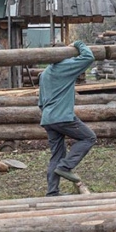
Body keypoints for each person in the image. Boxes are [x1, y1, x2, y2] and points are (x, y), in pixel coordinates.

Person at [39, 40, 96, 195]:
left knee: (56, 155)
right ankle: (65, 167)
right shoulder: (65, 66)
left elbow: (40, 102)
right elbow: (88, 57)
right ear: (63, 55)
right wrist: (78, 43)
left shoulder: (44, 74)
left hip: (47, 119)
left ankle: (52, 193)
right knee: (89, 138)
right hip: (62, 116)